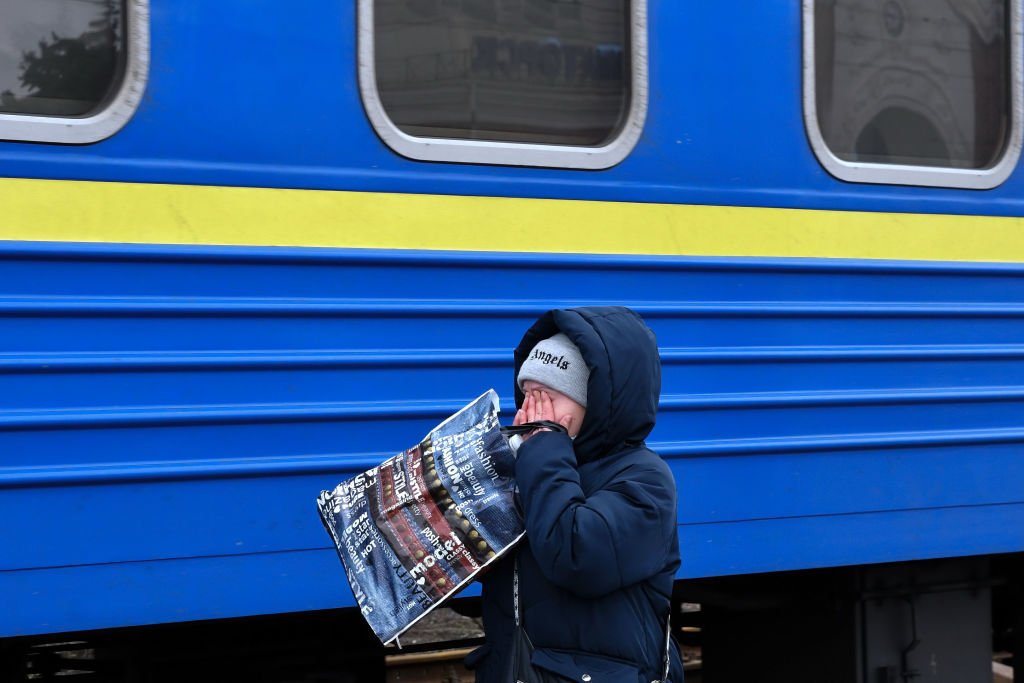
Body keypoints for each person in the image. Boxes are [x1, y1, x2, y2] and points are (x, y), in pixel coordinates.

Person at [466, 306, 684, 682]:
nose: (532, 410)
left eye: (548, 396)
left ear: (597, 400)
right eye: (527, 394)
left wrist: (545, 453)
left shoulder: (646, 480)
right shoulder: (534, 467)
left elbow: (576, 556)